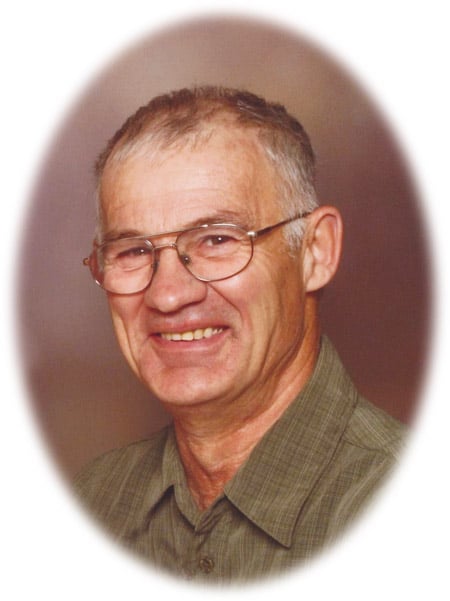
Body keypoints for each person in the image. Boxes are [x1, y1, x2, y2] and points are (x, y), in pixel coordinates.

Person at [75, 86, 406, 582]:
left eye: (216, 239)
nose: (168, 295)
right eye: (133, 251)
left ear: (315, 252)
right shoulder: (90, 505)